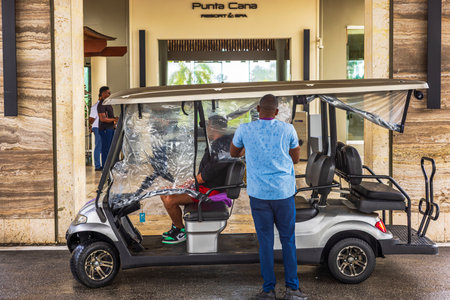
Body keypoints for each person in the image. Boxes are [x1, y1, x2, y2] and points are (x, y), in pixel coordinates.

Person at [230, 94, 307, 300]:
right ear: (276, 112)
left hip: (259, 195)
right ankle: (293, 290)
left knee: (265, 242)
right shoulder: (288, 129)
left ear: (257, 109)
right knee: (288, 240)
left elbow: (233, 153)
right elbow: (296, 158)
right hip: (283, 194)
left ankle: (268, 290)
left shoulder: (245, 129)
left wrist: (251, 148)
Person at [160, 115, 233, 244]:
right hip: (204, 187)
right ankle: (176, 226)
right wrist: (187, 184)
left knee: (170, 200)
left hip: (211, 191)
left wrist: (186, 185)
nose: (206, 129)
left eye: (208, 125)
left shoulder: (221, 148)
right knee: (164, 193)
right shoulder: (218, 145)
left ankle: (181, 231)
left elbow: (205, 176)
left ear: (213, 127)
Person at [97, 86, 118, 168]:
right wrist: (114, 119)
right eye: (108, 93)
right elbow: (102, 119)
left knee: (111, 148)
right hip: (105, 129)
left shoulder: (107, 103)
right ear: (103, 93)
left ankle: (111, 165)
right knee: (106, 149)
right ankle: (106, 166)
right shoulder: (101, 104)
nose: (109, 94)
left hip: (110, 128)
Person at [89, 99, 102, 171]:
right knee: (98, 146)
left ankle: (103, 164)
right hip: (97, 128)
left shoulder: (103, 106)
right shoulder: (95, 107)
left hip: (102, 128)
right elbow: (91, 119)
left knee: (102, 147)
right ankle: (97, 166)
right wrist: (92, 126)